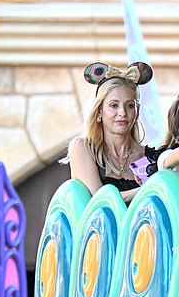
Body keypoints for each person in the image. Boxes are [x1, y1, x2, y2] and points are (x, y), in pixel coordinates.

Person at [62, 61, 160, 204]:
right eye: (114, 105)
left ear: (137, 112)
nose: (122, 112)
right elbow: (99, 202)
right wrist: (147, 189)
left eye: (130, 106)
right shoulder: (82, 148)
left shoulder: (150, 157)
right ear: (99, 111)